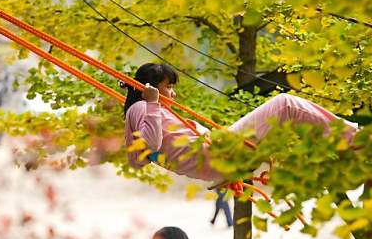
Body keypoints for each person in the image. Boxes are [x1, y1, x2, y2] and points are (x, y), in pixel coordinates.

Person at [123, 63, 359, 182]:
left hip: (215, 160)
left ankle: (342, 145)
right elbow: (152, 144)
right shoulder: (145, 107)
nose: (172, 94)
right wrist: (153, 102)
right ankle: (355, 137)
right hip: (217, 154)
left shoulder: (141, 113)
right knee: (286, 104)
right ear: (151, 88)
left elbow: (138, 161)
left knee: (285, 118)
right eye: (169, 87)